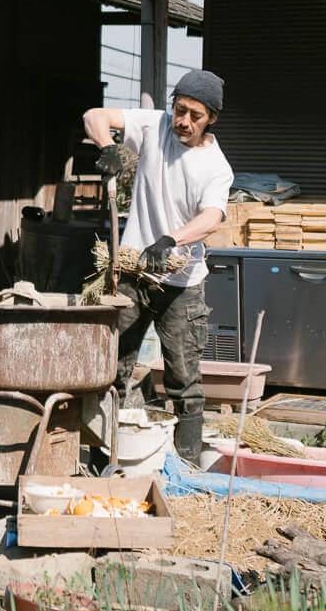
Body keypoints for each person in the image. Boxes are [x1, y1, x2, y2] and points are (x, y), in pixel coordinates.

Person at [82, 70, 234, 463]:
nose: (183, 121)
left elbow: (213, 216)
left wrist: (171, 240)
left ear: (211, 119)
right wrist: (107, 147)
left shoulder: (215, 167)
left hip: (180, 283)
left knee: (182, 377)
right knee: (111, 368)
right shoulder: (156, 125)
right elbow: (94, 115)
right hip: (131, 273)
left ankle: (184, 464)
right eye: (179, 109)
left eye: (194, 116)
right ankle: (104, 458)